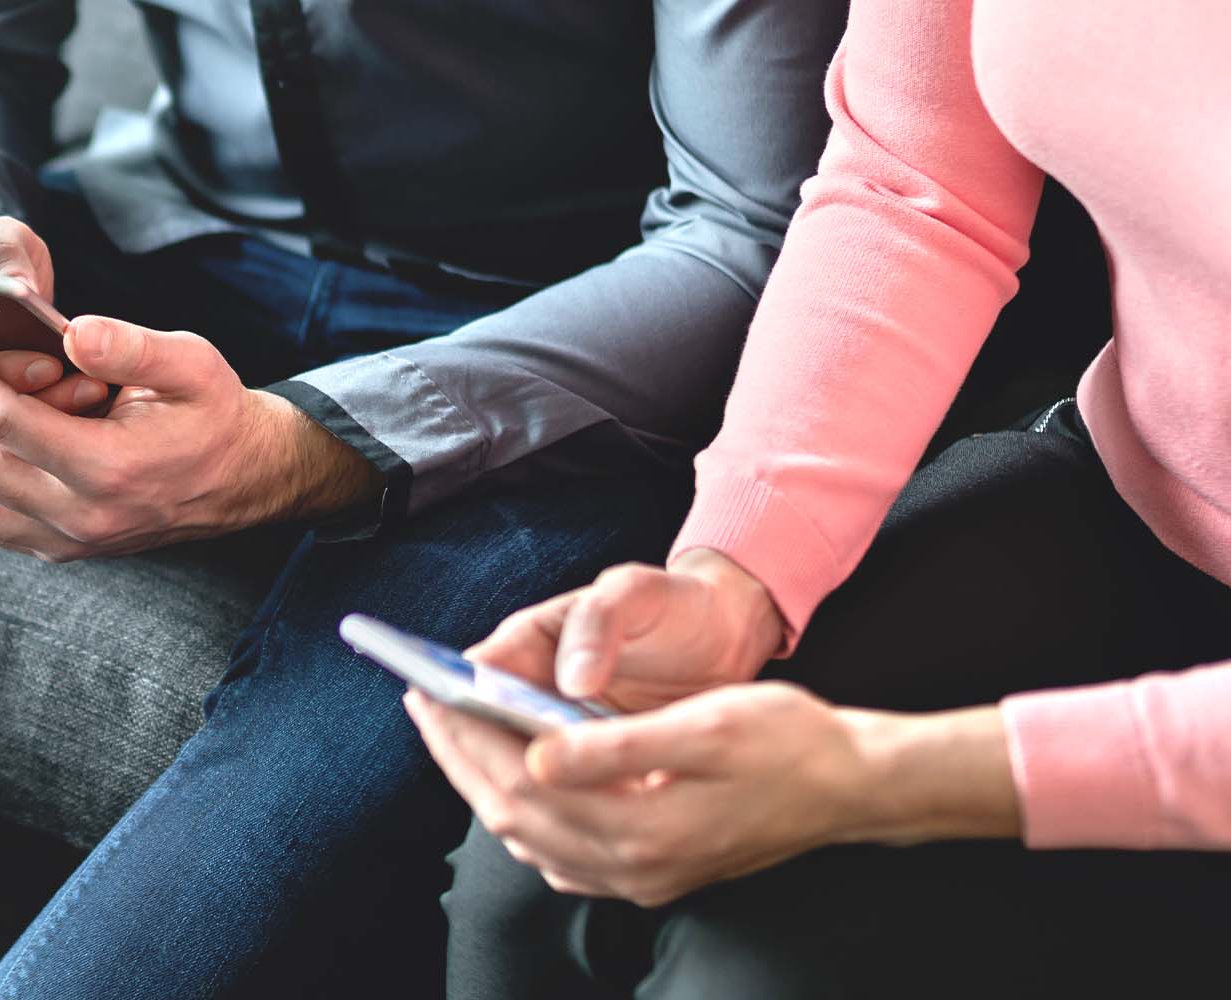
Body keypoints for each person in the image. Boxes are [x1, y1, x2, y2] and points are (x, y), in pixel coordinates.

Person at [0, 1, 843, 997]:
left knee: (334, 754)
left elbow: (755, 231)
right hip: (167, 225)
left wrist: (304, 443)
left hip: (567, 343)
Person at [412, 0, 1231, 996]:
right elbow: (916, 182)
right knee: (542, 878)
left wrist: (879, 777)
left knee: (747, 976)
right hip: (1145, 481)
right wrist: (734, 576)